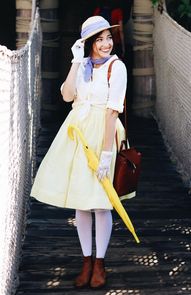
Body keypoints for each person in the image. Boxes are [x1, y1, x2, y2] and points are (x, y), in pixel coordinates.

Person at [30, 16, 135, 289]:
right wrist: (76, 61)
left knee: (101, 202)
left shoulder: (117, 67)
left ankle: (100, 262)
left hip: (103, 135)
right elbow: (66, 96)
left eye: (108, 38)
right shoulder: (83, 65)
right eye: (99, 39)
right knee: (81, 201)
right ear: (88, 42)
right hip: (77, 135)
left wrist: (107, 154)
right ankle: (86, 260)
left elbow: (112, 113)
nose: (106, 44)